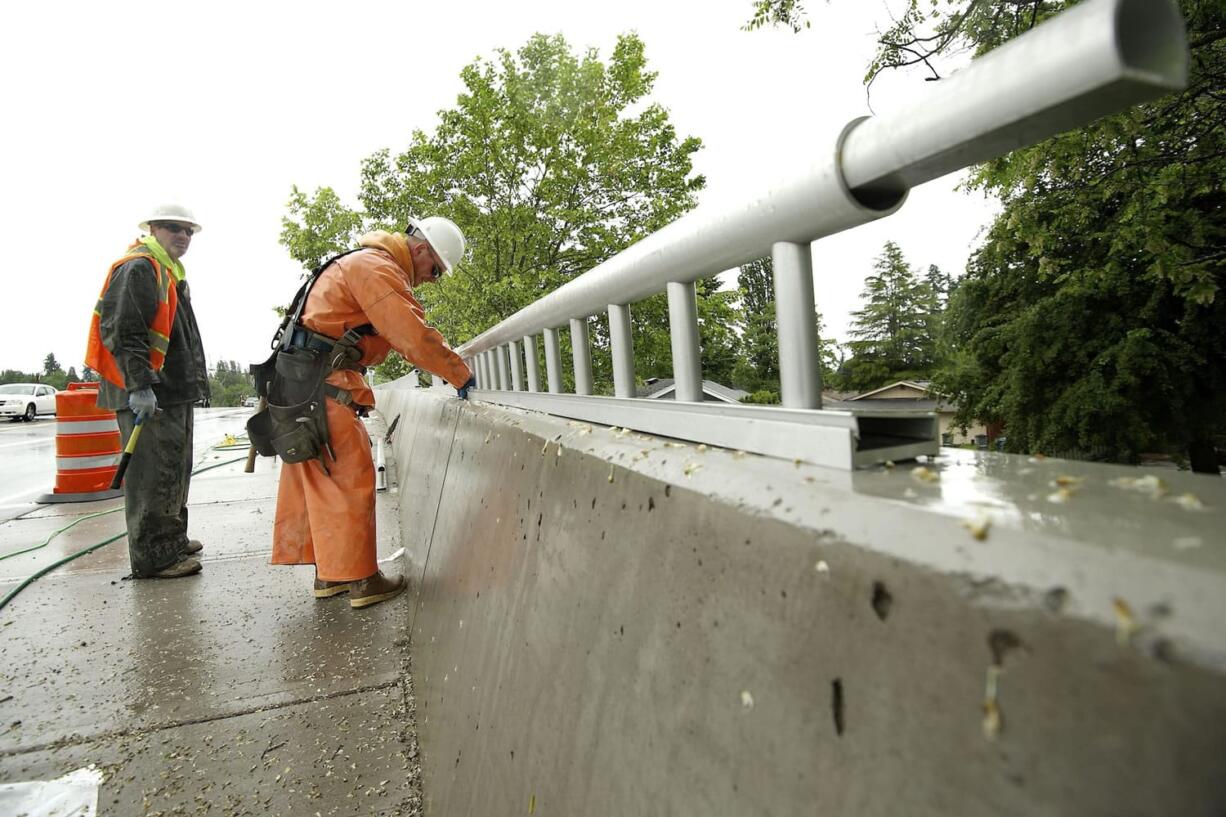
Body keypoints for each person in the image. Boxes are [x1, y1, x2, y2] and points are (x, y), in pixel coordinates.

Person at [270, 216, 475, 609]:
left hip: (303, 386)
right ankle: (363, 581)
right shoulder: (375, 268)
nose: (432, 279)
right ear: (419, 250)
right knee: (350, 476)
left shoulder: (359, 263)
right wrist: (459, 373)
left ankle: (331, 575)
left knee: (324, 478)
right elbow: (411, 334)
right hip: (323, 389)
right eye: (435, 269)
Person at [85, 204, 210, 579]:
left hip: (172, 391)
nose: (183, 236)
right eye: (174, 228)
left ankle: (170, 539)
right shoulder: (138, 267)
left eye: (188, 231)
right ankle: (154, 556)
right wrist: (140, 386)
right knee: (153, 474)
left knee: (174, 470)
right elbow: (124, 330)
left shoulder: (169, 273)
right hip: (147, 394)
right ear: (153, 229)